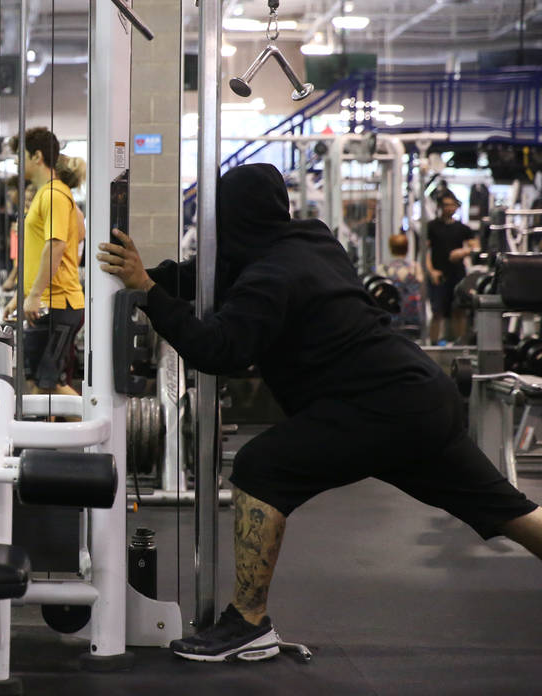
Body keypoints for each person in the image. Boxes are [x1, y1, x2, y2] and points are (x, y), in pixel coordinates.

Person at [96, 163, 542, 663]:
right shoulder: (309, 241)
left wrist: (152, 297)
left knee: (262, 468)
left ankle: (247, 624)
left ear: (231, 217)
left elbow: (218, 351)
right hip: (419, 397)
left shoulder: (270, 274)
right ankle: (246, 623)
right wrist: (148, 279)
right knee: (506, 510)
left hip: (377, 407)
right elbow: (215, 280)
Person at [1, 128, 86, 396]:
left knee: (52, 385)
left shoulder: (53, 195)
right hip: (46, 304)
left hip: (58, 304)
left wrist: (35, 294)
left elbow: (56, 245)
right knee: (42, 386)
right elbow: (40, 251)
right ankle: (44, 437)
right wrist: (21, 294)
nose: (16, 162)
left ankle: (102, 434)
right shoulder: (44, 194)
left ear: (37, 156)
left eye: (19, 155)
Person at [425, 192, 477, 344]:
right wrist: (431, 271)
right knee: (437, 311)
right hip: (439, 274)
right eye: (446, 205)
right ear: (440, 207)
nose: (449, 208)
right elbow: (425, 252)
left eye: (452, 205)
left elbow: (476, 246)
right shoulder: (432, 227)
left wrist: (463, 251)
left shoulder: (463, 229)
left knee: (459, 310)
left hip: (457, 274)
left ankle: (460, 344)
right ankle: (433, 344)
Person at [377, 232, 425, 336]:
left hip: (390, 312)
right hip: (412, 312)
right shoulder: (414, 267)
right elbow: (421, 289)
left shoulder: (384, 269)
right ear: (407, 248)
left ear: (391, 248)